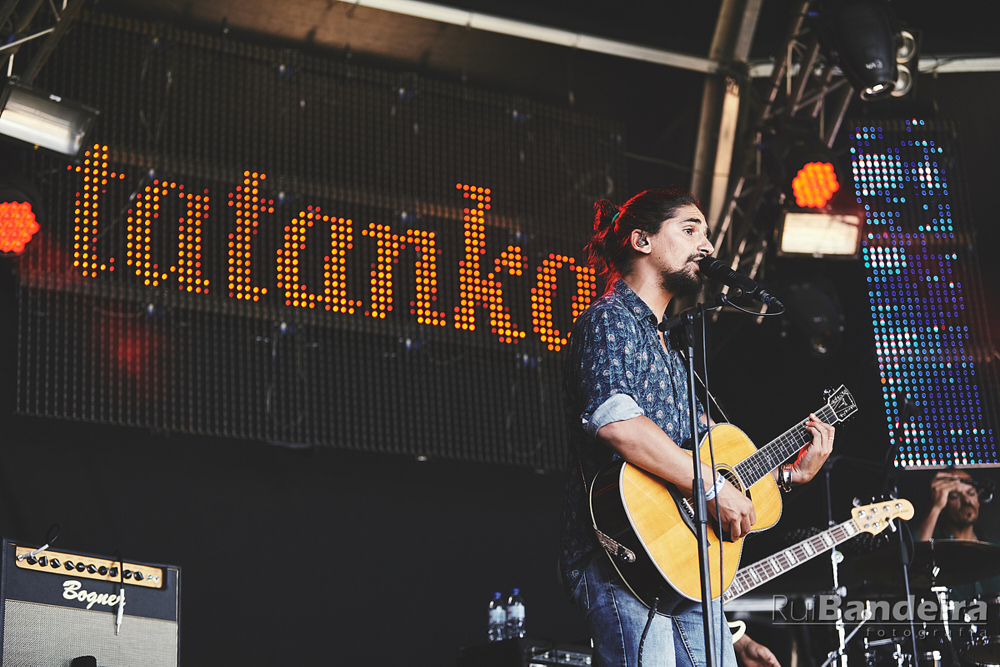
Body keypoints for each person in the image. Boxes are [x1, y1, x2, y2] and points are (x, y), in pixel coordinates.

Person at [559, 189, 836, 667]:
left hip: (684, 564)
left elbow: (712, 462)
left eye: (706, 233)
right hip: (623, 555)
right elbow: (617, 424)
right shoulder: (610, 320)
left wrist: (788, 476)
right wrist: (708, 485)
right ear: (641, 240)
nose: (706, 245)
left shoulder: (673, 348)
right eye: (690, 230)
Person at [914, 468, 1000, 597]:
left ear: (978, 500)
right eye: (955, 496)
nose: (967, 501)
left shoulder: (994, 545)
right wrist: (935, 507)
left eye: (971, 493)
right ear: (943, 503)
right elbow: (914, 563)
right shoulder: (934, 544)